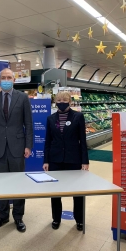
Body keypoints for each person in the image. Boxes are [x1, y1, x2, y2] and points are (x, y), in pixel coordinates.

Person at [0, 68, 33, 232]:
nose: (6, 80)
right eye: (3, 77)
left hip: (18, 148)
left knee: (19, 183)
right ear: (0, 80)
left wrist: (28, 145)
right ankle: (3, 216)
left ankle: (18, 217)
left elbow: (29, 124)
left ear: (14, 80)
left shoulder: (23, 98)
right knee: (2, 184)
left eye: (9, 77)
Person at [42, 92, 89, 231]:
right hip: (55, 159)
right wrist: (46, 160)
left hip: (74, 159)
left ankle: (79, 219)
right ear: (55, 102)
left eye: (65, 99)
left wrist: (85, 161)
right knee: (55, 191)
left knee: (78, 191)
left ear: (70, 101)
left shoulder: (78, 116)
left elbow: (83, 140)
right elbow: (48, 141)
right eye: (59, 100)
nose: (62, 102)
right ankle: (56, 218)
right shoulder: (50, 118)